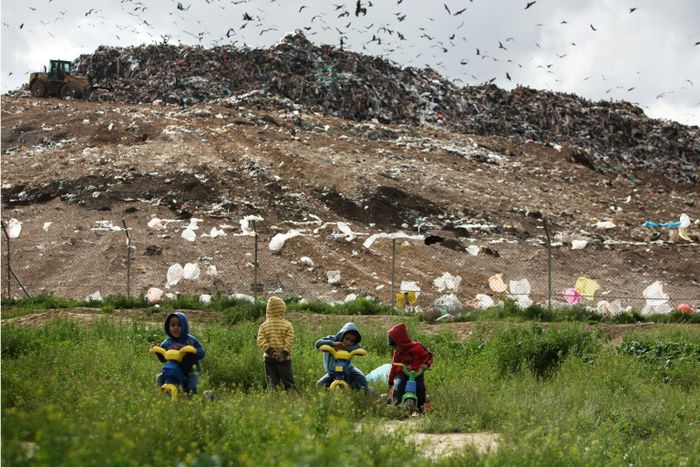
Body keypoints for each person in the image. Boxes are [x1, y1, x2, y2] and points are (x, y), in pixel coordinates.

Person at [153, 311, 206, 394]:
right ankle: (159, 394)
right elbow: (163, 359)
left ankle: (191, 397)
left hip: (190, 369)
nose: (176, 327)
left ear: (184, 326)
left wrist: (194, 350)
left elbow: (202, 353)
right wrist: (158, 352)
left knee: (192, 385)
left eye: (179, 325)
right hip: (173, 368)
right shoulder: (166, 343)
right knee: (160, 378)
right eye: (173, 325)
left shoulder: (190, 340)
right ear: (168, 327)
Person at [387, 323, 433, 411]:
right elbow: (394, 366)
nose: (395, 349)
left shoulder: (417, 347)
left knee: (420, 388)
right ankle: (396, 405)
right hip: (402, 374)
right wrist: (390, 381)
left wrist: (426, 364)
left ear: (402, 342)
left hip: (417, 374)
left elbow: (429, 356)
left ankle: (420, 407)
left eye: (395, 346)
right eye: (393, 347)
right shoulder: (397, 353)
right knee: (399, 385)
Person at [315, 322, 370, 393]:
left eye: (352, 341)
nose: (348, 342)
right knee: (320, 384)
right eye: (347, 339)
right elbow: (318, 343)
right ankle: (323, 397)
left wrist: (345, 348)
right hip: (332, 370)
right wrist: (333, 344)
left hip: (348, 368)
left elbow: (358, 348)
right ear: (342, 335)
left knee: (360, 376)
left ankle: (367, 394)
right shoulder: (332, 339)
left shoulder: (352, 346)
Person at [257, 296, 295, 390]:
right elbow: (289, 341)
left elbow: (260, 340)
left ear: (268, 310)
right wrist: (284, 354)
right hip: (284, 359)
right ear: (282, 309)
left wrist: (271, 352)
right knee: (288, 382)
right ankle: (293, 398)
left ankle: (272, 400)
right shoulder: (288, 325)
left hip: (269, 359)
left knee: (271, 383)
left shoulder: (263, 326)